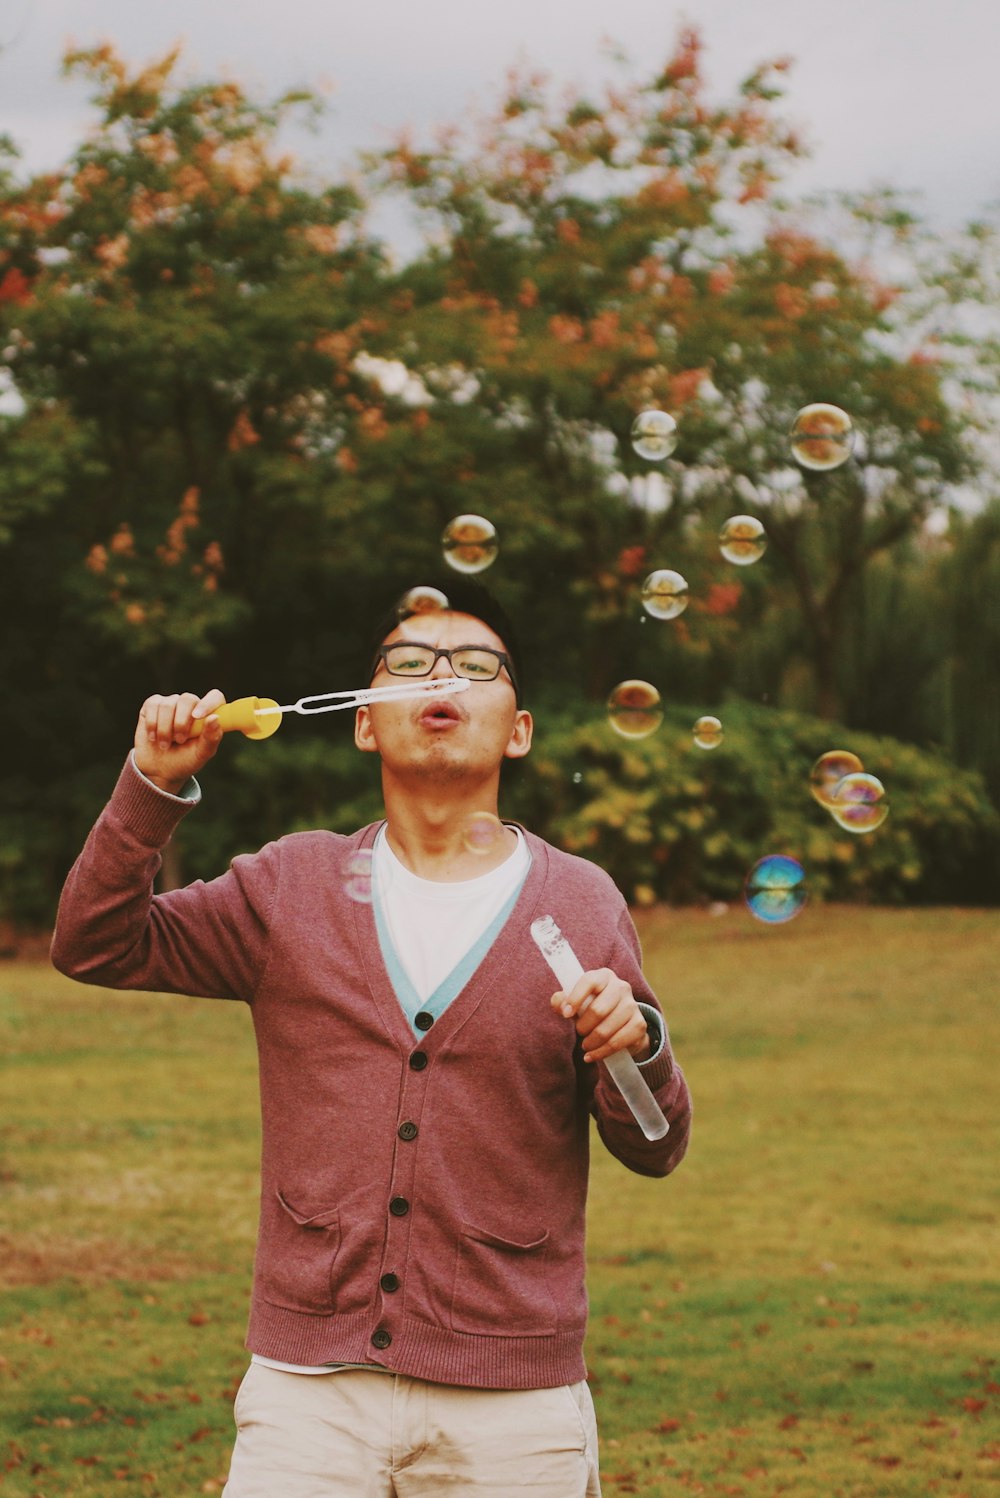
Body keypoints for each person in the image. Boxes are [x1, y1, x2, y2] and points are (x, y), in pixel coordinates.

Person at [51, 581, 692, 1498]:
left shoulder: (580, 902)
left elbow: (658, 1145)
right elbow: (94, 942)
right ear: (364, 721)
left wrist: (638, 1045)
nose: (442, 677)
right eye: (409, 664)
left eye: (477, 666)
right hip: (308, 1399)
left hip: (515, 1401)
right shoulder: (289, 888)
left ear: (519, 730)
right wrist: (153, 786)